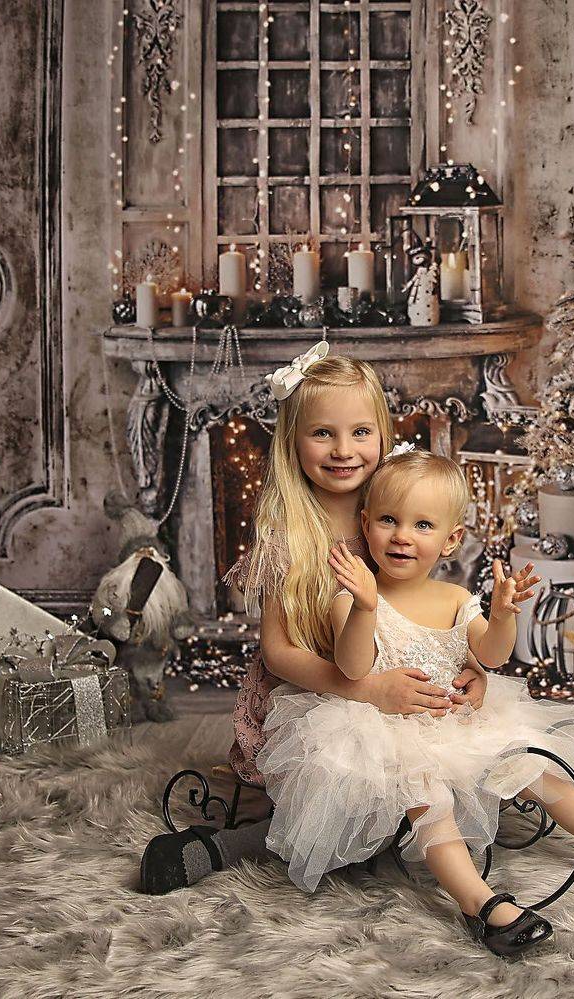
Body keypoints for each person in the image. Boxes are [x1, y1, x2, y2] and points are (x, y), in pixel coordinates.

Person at [256, 450, 574, 959]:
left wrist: (503, 615)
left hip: (461, 721)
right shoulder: (354, 599)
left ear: (451, 540)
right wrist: (365, 606)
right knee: (429, 802)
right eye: (388, 520)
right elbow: (353, 668)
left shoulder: (454, 597)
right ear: (365, 524)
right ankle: (479, 902)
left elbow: (491, 654)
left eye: (422, 525)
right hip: (393, 730)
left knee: (539, 774)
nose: (402, 536)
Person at [139, 342, 482, 894]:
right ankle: (235, 844)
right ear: (293, 441)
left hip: (395, 688)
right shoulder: (289, 536)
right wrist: (369, 691)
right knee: (355, 804)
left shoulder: (399, 512)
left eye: (361, 432)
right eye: (323, 433)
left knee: (447, 774)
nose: (344, 450)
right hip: (316, 698)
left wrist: (470, 668)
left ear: (383, 434)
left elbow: (432, 608)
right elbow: (279, 654)